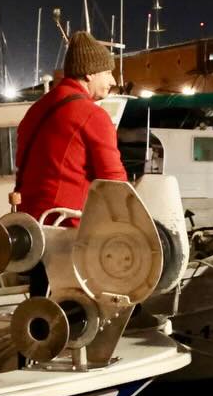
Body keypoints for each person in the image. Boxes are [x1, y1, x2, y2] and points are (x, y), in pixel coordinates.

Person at [15, 31, 128, 292]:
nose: (113, 80)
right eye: (107, 72)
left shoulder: (37, 109)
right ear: (88, 73)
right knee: (75, 310)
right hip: (68, 232)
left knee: (42, 305)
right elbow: (114, 182)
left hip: (33, 228)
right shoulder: (91, 115)